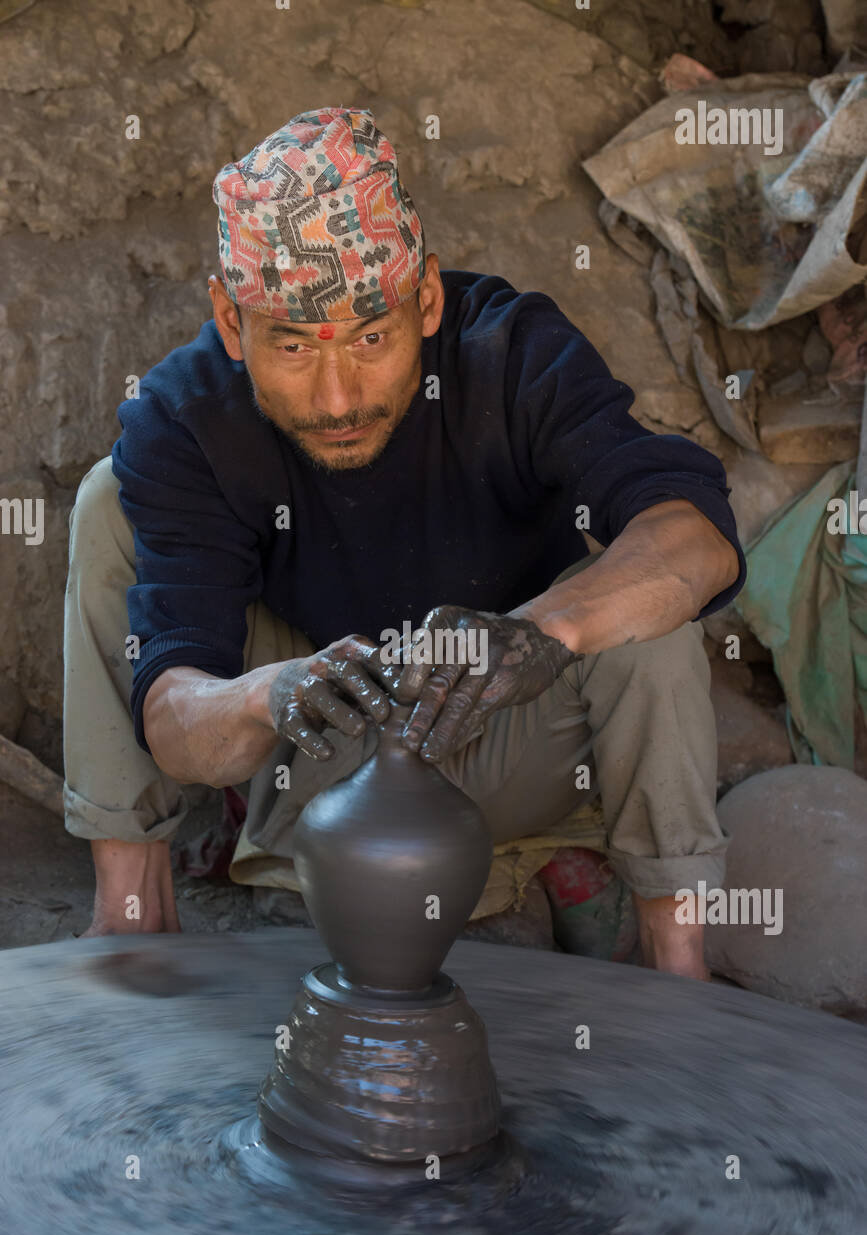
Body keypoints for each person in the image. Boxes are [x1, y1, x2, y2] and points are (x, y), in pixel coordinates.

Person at [63, 106, 745, 979]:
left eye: (372, 338)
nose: (340, 395)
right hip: (322, 758)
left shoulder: (510, 353)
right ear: (233, 325)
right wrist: (269, 698)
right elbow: (174, 721)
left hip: (513, 725)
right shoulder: (186, 420)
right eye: (296, 347)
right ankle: (132, 916)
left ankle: (674, 967)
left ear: (425, 297)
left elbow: (697, 540)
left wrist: (542, 632)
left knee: (648, 607)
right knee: (105, 497)